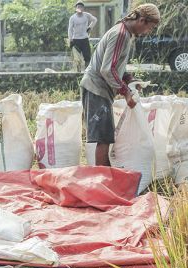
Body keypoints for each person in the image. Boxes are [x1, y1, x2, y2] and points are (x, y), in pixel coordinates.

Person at [80, 3, 160, 167]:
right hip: (96, 88)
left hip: (99, 88)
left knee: (106, 137)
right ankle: (103, 181)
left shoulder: (123, 32)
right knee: (103, 138)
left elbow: (114, 66)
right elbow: (107, 69)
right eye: (149, 28)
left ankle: (106, 177)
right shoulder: (121, 34)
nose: (147, 32)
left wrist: (129, 79)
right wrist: (126, 92)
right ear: (142, 20)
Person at [68, 2, 97, 70]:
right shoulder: (72, 18)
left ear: (83, 8)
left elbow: (95, 20)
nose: (79, 8)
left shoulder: (86, 15)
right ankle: (78, 72)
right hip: (76, 39)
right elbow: (70, 29)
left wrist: (90, 27)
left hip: (84, 39)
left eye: (81, 7)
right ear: (76, 8)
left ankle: (87, 71)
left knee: (87, 57)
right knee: (77, 58)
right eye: (78, 7)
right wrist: (70, 39)